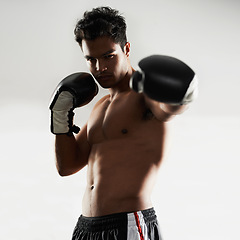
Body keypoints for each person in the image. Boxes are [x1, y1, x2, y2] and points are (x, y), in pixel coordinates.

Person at [49, 6, 198, 240]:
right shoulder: (100, 107)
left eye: (108, 56)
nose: (100, 68)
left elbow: (170, 108)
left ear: (126, 48)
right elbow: (67, 166)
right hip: (86, 228)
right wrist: (60, 115)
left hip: (128, 224)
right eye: (91, 59)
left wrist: (182, 93)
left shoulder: (146, 96)